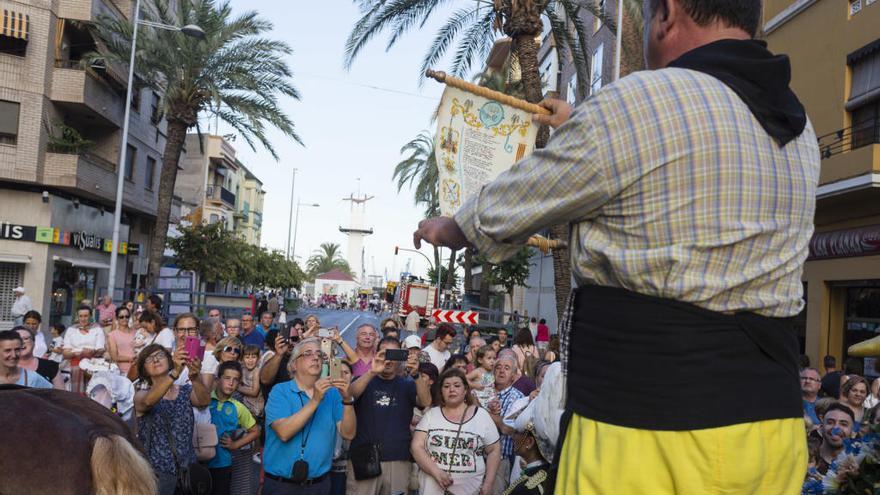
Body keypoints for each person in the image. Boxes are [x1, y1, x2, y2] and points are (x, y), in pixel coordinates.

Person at [413, 1, 819, 491]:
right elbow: (683, 155)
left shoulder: (641, 101)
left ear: (667, 13)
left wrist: (451, 226)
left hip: (646, 429)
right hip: (770, 433)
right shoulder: (800, 129)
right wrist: (581, 122)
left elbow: (511, 205)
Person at [263, 338, 356, 493]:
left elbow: (349, 433)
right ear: (293, 365)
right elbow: (284, 433)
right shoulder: (280, 391)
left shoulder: (332, 394)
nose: (315, 357)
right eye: (308, 354)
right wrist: (315, 400)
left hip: (318, 485)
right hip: (281, 485)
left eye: (319, 355)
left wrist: (347, 400)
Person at [346, 337, 432, 495]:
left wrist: (416, 375)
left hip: (397, 457)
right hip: (363, 457)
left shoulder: (407, 384)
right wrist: (372, 372)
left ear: (401, 358)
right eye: (384, 353)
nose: (389, 360)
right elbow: (349, 396)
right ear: (376, 354)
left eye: (394, 354)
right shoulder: (364, 380)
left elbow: (425, 401)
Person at [134, 344, 210, 495]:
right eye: (149, 358)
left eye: (160, 355)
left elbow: (203, 401)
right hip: (157, 473)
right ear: (144, 370)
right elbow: (149, 401)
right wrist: (175, 372)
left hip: (188, 472)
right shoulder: (141, 395)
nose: (155, 360)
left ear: (169, 361)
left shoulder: (185, 391)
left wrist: (195, 377)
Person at [411, 368, 501, 495]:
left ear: (465, 390)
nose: (451, 389)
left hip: (471, 490)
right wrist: (436, 472)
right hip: (432, 488)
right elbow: (416, 447)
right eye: (446, 386)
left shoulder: (481, 415)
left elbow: (494, 449)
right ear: (441, 392)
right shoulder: (431, 415)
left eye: (457, 385)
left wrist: (488, 483)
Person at [208, 361, 261, 495]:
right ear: (218, 379)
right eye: (227, 378)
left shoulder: (238, 407)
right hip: (199, 461)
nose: (231, 383)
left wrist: (236, 444)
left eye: (235, 380)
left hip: (222, 463)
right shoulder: (205, 399)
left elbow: (255, 431)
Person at [485, 354, 526, 493]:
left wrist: (481, 411)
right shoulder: (483, 391)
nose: (501, 371)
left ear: (514, 376)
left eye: (507, 368)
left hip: (500, 461)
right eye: (498, 367)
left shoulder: (517, 396)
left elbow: (506, 428)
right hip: (477, 457)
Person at [63, 305, 106, 393]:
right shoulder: (71, 330)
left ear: (90, 316)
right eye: (81, 316)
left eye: (86, 316)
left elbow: (101, 350)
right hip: (74, 363)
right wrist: (75, 354)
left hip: (93, 363)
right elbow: (65, 353)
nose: (83, 319)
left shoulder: (97, 329)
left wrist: (93, 352)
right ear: (77, 317)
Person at [330, 360, 355, 495]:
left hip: (350, 463)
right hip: (327, 463)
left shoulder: (357, 396)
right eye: (338, 372)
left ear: (352, 376)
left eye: (346, 372)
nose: (342, 376)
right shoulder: (324, 396)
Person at [17, 325, 64, 390]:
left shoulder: (51, 366)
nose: (22, 342)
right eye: (17, 339)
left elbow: (61, 395)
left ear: (34, 342)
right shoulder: (3, 367)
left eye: (26, 338)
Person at [813, 403, 855, 475]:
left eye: (843, 424)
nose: (836, 428)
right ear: (821, 426)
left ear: (852, 430)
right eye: (830, 422)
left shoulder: (859, 462)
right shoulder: (808, 456)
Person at [108, 306, 137, 374]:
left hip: (138, 369)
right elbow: (114, 356)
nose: (125, 319)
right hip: (123, 370)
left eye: (127, 316)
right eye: (121, 317)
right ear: (117, 318)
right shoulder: (112, 335)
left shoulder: (136, 332)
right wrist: (131, 359)